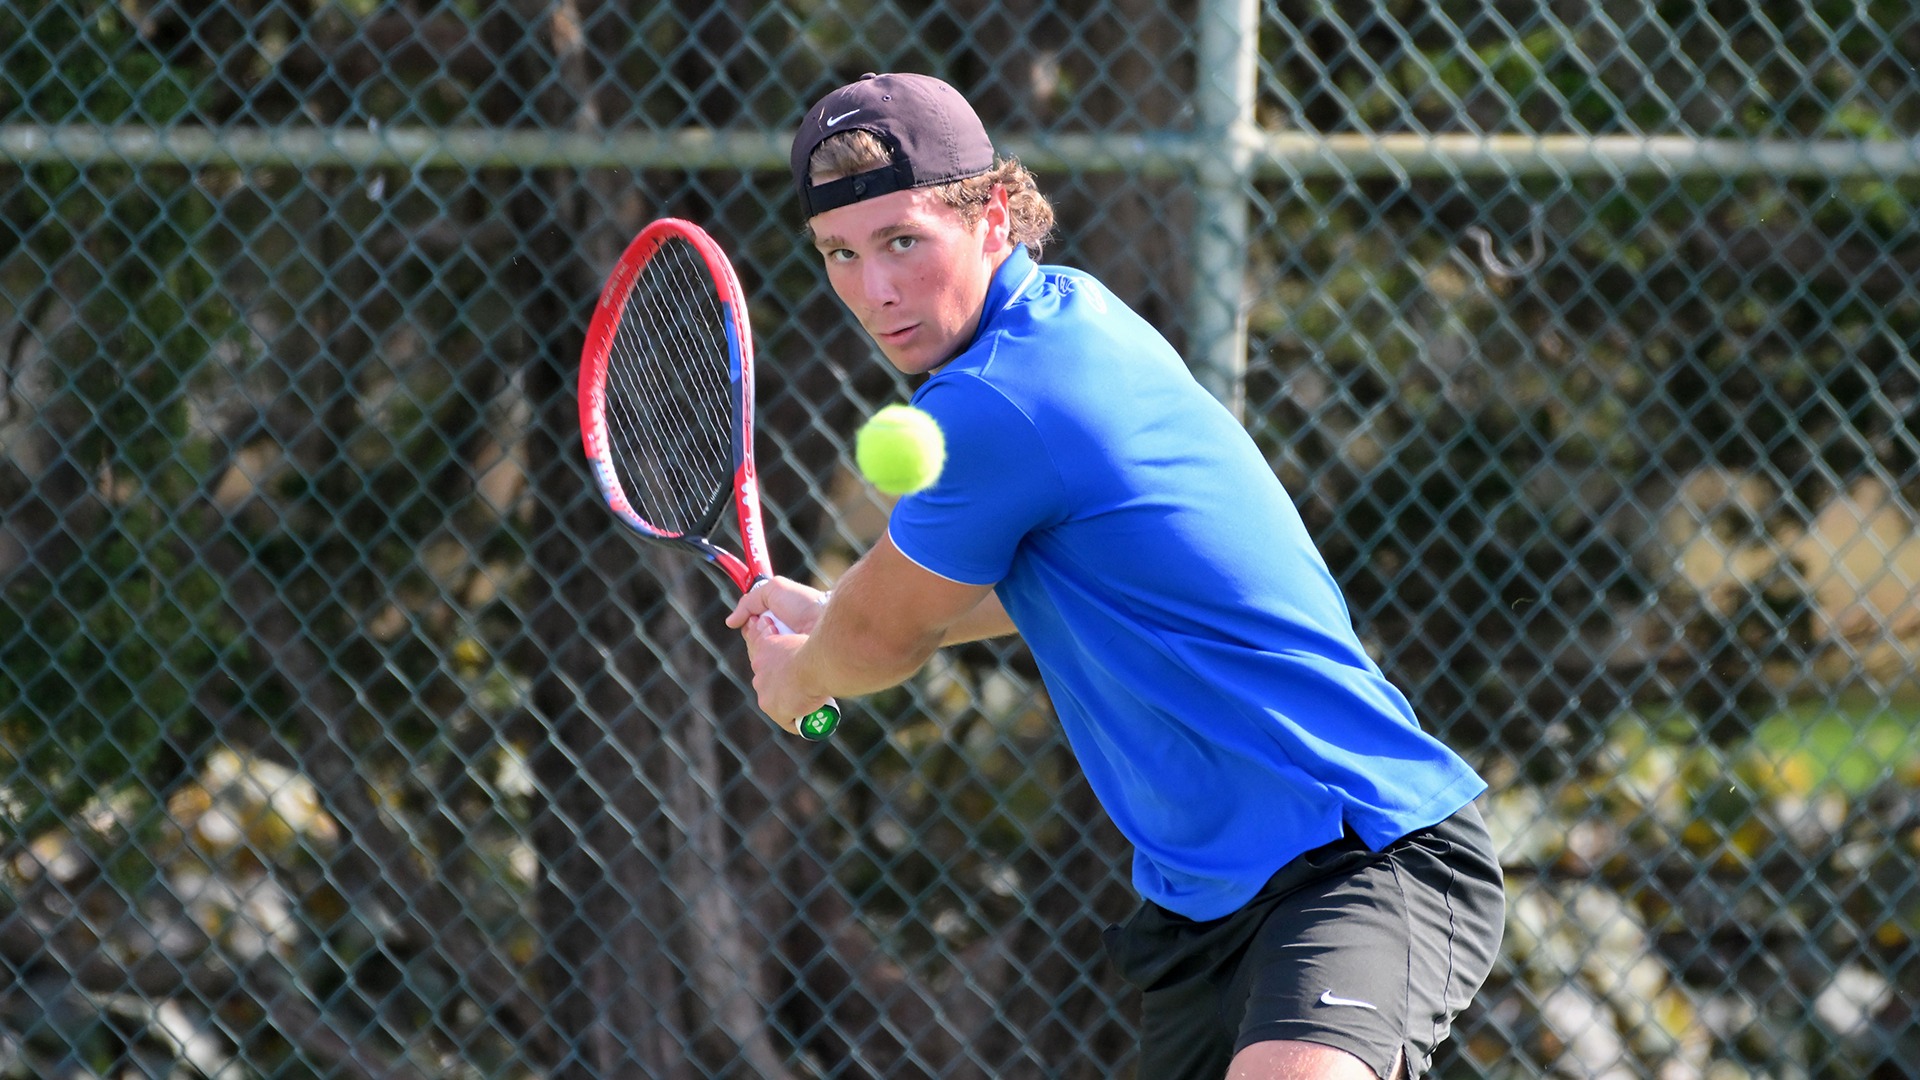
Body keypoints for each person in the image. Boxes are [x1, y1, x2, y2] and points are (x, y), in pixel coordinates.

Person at [725, 71, 1504, 1080]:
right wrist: (838, 613)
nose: (874, 289)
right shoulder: (1067, 312)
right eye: (841, 252)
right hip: (1206, 907)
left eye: (903, 241)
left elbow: (880, 643)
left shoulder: (997, 403)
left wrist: (805, 674)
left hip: (1357, 849)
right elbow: (1054, 586)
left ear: (992, 216)